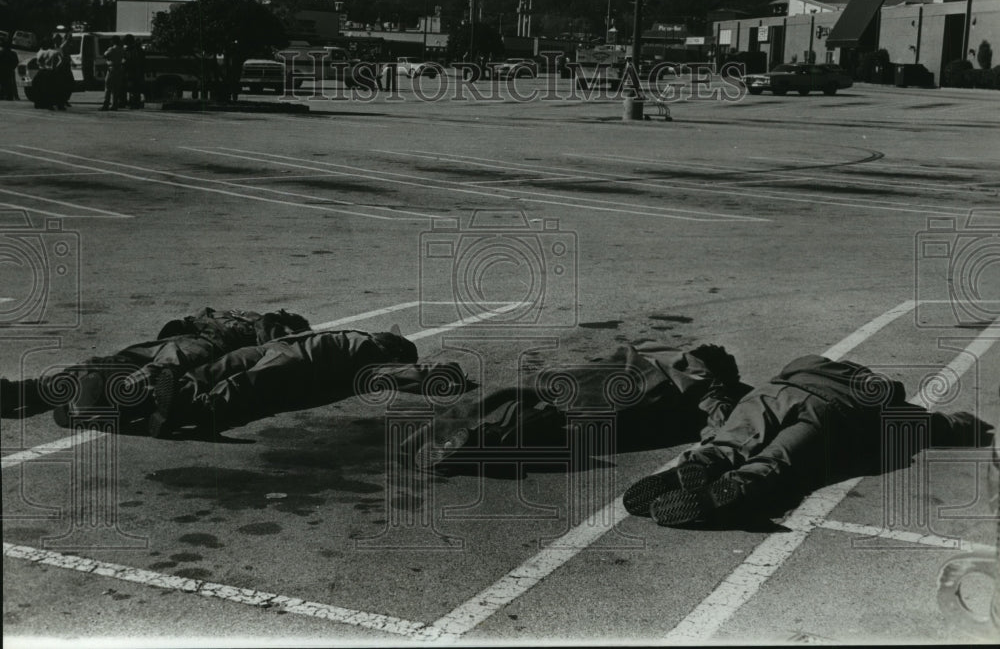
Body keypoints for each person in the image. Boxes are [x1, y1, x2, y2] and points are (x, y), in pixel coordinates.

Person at [623, 354, 994, 527]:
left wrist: (713, 431)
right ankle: (736, 487)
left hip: (777, 392)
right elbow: (939, 424)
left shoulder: (807, 361)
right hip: (832, 414)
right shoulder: (883, 400)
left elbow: (730, 406)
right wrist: (968, 425)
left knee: (730, 441)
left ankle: (707, 463)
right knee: (778, 460)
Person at [400, 342, 745, 468]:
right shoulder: (707, 385)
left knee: (510, 393)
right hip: (618, 400)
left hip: (587, 374)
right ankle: (485, 442)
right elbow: (718, 420)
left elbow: (608, 353)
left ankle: (427, 433)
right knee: (561, 434)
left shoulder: (655, 347)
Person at [0, 307, 310, 427]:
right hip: (191, 336)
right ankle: (23, 393)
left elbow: (274, 348)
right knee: (111, 362)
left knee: (160, 365)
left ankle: (105, 402)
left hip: (205, 344)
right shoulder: (252, 317)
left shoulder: (265, 330)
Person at [147, 326, 421, 438]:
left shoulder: (370, 354)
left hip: (295, 358)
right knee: (226, 371)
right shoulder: (363, 343)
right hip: (282, 350)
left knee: (241, 379)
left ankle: (187, 406)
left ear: (392, 350)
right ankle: (175, 400)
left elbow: (399, 375)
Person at [101, 35, 125, 111]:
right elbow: (125, 57)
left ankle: (106, 105)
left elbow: (104, 55)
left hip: (111, 69)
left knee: (108, 88)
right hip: (119, 69)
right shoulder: (122, 49)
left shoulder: (111, 49)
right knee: (116, 89)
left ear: (113, 41)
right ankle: (114, 105)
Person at [123, 34, 145, 109]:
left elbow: (129, 60)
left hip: (132, 72)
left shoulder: (130, 50)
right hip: (137, 71)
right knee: (136, 88)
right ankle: (135, 103)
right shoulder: (139, 49)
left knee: (132, 88)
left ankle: (133, 103)